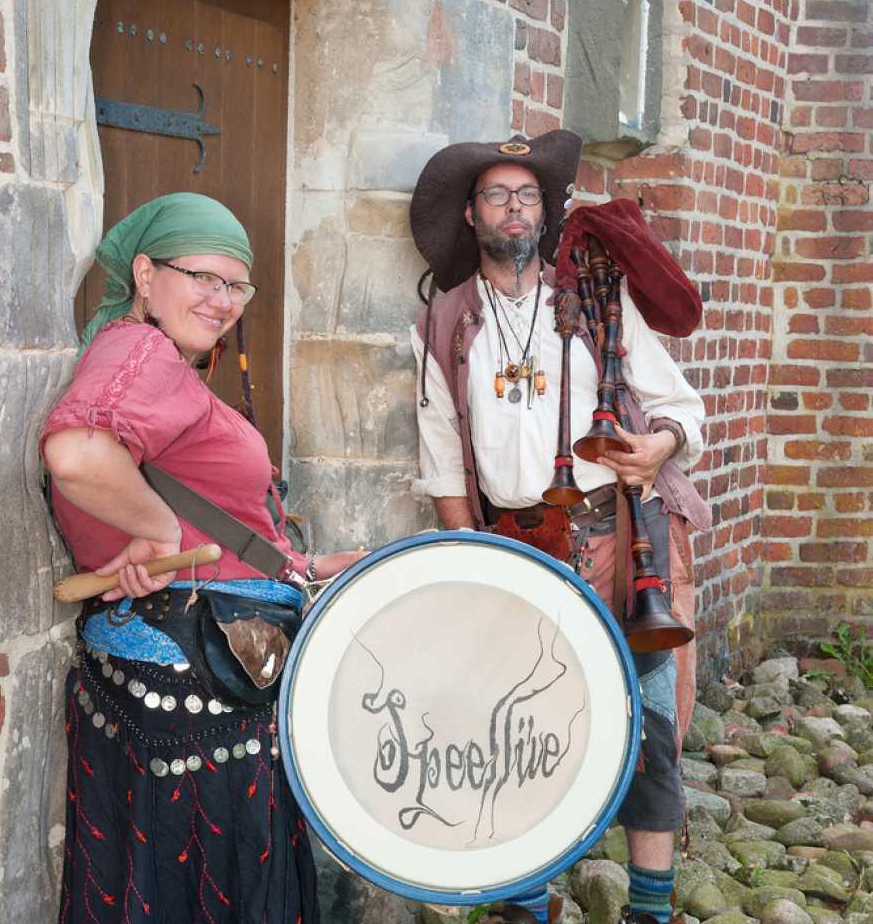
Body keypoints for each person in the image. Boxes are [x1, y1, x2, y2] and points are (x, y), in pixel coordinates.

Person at [408, 132, 711, 924]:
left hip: (620, 538)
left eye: (529, 196)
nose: (515, 209)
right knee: (516, 727)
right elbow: (443, 459)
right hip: (511, 544)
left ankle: (649, 910)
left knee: (647, 732)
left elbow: (683, 408)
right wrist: (467, 559)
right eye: (498, 196)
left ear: (545, 214)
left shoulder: (597, 297)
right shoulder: (444, 320)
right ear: (471, 214)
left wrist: (660, 446)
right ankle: (524, 902)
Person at [42, 192, 360, 924]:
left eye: (234, 285)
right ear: (146, 274)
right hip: (194, 691)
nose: (221, 300)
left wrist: (301, 568)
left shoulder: (170, 369)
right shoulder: (140, 349)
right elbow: (77, 453)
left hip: (201, 681)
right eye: (201, 277)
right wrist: (156, 529)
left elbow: (212, 517)